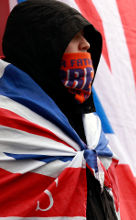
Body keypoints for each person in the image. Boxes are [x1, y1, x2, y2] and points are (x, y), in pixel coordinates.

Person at [1, 0, 118, 219]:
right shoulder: (5, 119)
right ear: (45, 46)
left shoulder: (91, 129)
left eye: (87, 37)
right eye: (73, 36)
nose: (86, 45)